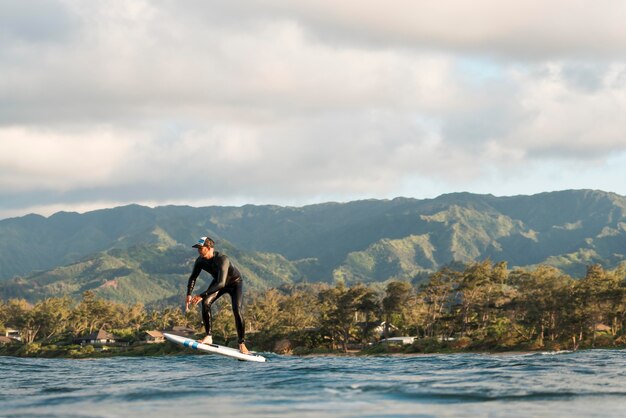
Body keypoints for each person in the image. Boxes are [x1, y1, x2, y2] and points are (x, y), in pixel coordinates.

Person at [185, 236, 249, 354]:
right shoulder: (200, 261)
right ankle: (208, 336)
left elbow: (221, 283)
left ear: (209, 248)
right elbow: (193, 277)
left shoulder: (222, 259)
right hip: (219, 282)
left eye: (201, 248)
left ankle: (241, 343)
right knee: (206, 303)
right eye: (198, 248)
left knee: (236, 310)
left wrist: (201, 294)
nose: (199, 250)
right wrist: (189, 294)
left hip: (234, 284)